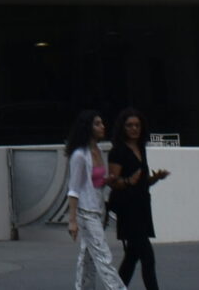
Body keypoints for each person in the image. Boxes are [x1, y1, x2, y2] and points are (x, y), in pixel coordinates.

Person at [65, 109, 126, 290]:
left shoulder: (98, 150)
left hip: (98, 210)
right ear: (88, 128)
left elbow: (95, 183)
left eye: (102, 123)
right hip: (86, 212)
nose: (102, 126)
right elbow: (74, 189)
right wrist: (72, 220)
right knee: (103, 256)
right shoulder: (79, 155)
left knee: (88, 258)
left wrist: (107, 181)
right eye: (97, 124)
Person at [109, 109, 169, 289]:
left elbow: (141, 182)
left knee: (132, 257)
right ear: (123, 128)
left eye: (137, 125)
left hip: (142, 206)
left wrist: (155, 178)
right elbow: (113, 181)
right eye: (129, 125)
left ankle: (116, 288)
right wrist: (128, 180)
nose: (134, 129)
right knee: (147, 257)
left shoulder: (140, 149)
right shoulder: (118, 151)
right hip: (128, 208)